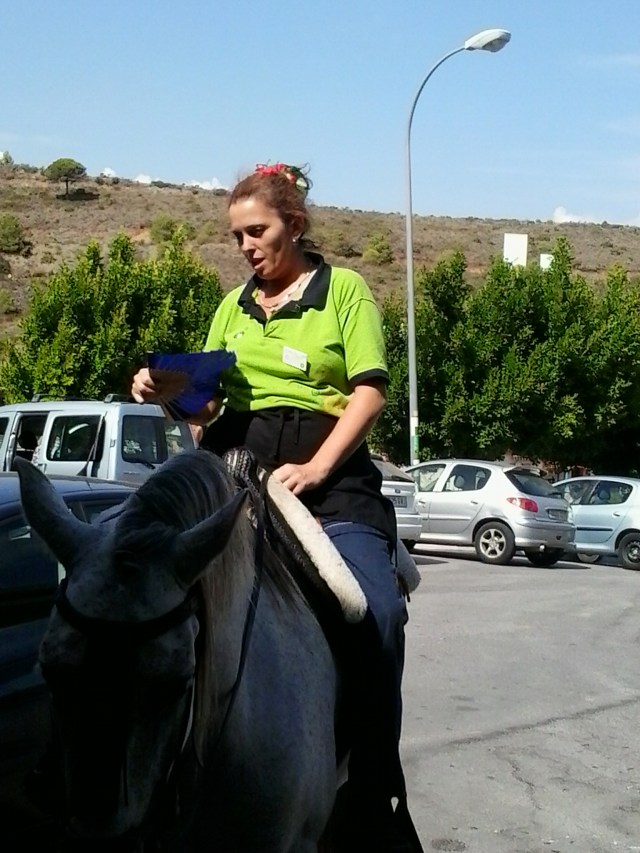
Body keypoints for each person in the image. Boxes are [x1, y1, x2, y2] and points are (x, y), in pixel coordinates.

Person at [131, 162, 421, 851]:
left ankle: (374, 786)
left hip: (330, 485)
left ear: (294, 224)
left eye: (256, 231)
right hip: (234, 475)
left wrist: (318, 467)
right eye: (236, 236)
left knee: (373, 610)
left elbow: (370, 392)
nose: (245, 247)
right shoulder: (230, 309)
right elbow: (205, 411)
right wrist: (168, 390)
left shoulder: (342, 291)